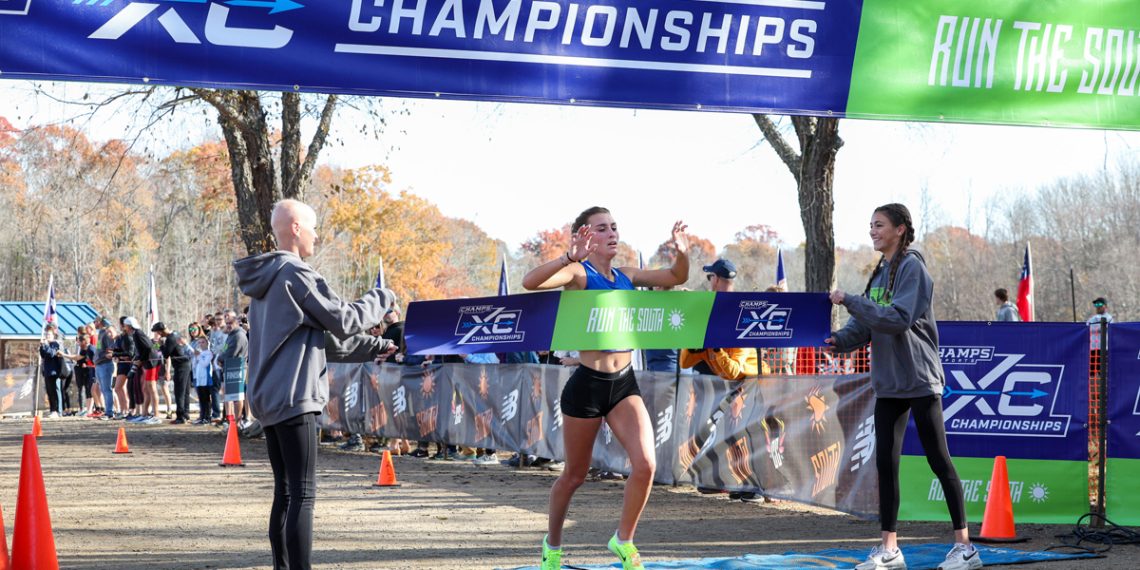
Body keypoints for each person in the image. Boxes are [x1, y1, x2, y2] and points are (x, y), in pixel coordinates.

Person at [522, 206, 689, 570]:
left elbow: (676, 277)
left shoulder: (626, 275)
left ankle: (623, 540)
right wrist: (568, 256)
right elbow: (530, 282)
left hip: (623, 384)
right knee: (574, 476)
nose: (612, 232)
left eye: (614, 226)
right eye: (602, 228)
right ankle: (552, 547)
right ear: (586, 235)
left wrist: (682, 250)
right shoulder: (579, 273)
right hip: (586, 386)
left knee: (646, 464)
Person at [234, 199, 397, 570]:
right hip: (295, 397)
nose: (317, 235)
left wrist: (376, 347)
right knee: (303, 494)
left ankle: (282, 566)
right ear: (295, 228)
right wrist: (382, 298)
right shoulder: (296, 273)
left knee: (286, 492)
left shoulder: (267, 280)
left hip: (270, 398)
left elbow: (322, 339)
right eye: (313, 227)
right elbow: (343, 319)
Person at [825, 203, 980, 570]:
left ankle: (966, 548)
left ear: (900, 229)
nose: (872, 231)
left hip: (919, 379)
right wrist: (838, 341)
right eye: (870, 225)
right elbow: (865, 328)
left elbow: (896, 319)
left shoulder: (914, 268)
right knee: (886, 465)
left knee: (938, 460)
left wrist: (850, 300)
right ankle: (890, 550)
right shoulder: (878, 275)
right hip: (889, 384)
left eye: (879, 225)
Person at [680, 258, 765, 503]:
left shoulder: (738, 309)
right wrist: (699, 347)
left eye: (710, 278)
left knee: (744, 432)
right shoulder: (706, 308)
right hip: (725, 381)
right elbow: (685, 362)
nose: (709, 282)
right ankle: (722, 480)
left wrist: (714, 349)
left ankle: (754, 486)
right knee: (722, 432)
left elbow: (734, 370)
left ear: (716, 279)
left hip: (747, 380)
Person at [154, 322, 194, 424]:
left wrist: (160, 344)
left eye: (158, 332)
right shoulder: (176, 334)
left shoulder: (170, 338)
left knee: (179, 392)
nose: (158, 334)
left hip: (181, 366)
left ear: (161, 331)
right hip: (186, 364)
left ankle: (181, 416)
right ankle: (186, 414)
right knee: (185, 391)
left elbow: (166, 354)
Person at [94, 317, 119, 418]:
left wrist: (109, 354)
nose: (94, 323)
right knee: (103, 389)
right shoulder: (100, 333)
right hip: (99, 365)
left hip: (106, 365)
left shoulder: (107, 333)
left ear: (99, 322)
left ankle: (109, 412)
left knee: (107, 389)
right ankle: (107, 411)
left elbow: (111, 347)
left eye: (95, 321)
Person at [39, 327, 66, 417]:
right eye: (47, 335)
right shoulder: (46, 344)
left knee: (56, 391)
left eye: (49, 335)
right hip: (47, 371)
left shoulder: (55, 344)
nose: (47, 336)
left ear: (53, 336)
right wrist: (42, 347)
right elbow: (43, 355)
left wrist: (46, 345)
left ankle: (59, 410)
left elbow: (51, 354)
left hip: (55, 371)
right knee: (50, 391)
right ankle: (52, 410)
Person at [192, 338, 216, 425]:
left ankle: (207, 417)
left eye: (203, 342)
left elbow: (205, 363)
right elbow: (195, 365)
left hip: (206, 380)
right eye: (199, 342)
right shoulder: (200, 353)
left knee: (206, 400)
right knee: (201, 400)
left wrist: (198, 356)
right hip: (199, 379)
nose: (201, 344)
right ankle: (202, 416)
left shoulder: (209, 353)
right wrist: (196, 357)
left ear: (207, 343)